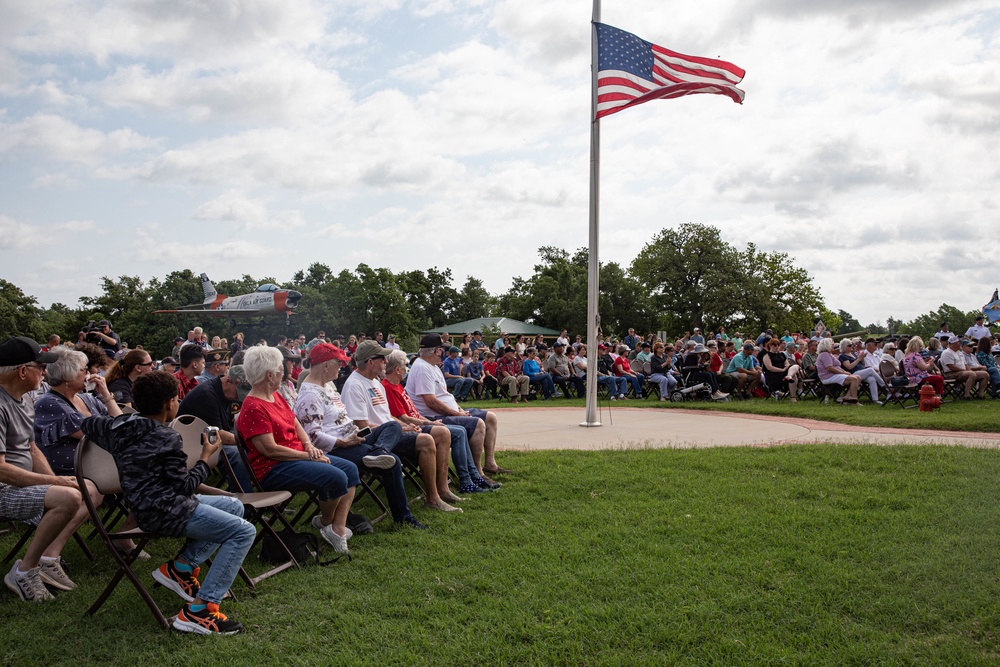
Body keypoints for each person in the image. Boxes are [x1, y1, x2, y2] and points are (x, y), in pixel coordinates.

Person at [82, 371, 254, 635]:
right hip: (166, 511)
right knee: (243, 531)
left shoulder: (116, 427)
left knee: (235, 507)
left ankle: (181, 568)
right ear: (169, 403)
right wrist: (205, 458)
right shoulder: (167, 438)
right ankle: (200, 611)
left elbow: (88, 425)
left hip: (146, 507)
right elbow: (185, 486)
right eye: (177, 398)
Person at [297, 343, 438, 525]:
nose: (342, 367)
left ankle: (378, 452)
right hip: (336, 447)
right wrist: (343, 442)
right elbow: (313, 437)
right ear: (325, 365)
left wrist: (357, 434)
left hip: (354, 436)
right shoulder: (310, 395)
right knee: (392, 462)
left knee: (392, 427)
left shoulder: (328, 387)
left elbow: (344, 419)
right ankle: (403, 518)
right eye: (338, 363)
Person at [236, 346, 357, 553]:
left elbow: (295, 422)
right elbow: (270, 450)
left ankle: (334, 527)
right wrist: (308, 455)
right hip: (273, 469)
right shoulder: (254, 407)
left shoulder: (274, 396)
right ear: (269, 375)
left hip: (296, 458)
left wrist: (309, 446)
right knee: (336, 477)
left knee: (350, 470)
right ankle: (327, 522)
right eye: (280, 369)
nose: (284, 373)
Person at [1, 337, 93, 602]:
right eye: (41, 367)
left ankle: (44, 560)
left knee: (83, 489)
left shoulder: (23, 400)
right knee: (70, 496)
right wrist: (58, 486)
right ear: (22, 371)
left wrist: (56, 482)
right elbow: (1, 470)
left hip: (18, 485)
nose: (45, 372)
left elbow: (31, 448)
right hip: (4, 488)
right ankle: (24, 570)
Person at [343, 341, 462, 513]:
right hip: (376, 440)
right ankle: (433, 498)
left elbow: (387, 416)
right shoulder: (355, 385)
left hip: (391, 431)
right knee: (427, 440)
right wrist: (398, 428)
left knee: (442, 433)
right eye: (382, 359)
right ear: (370, 362)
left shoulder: (375, 382)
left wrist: (404, 425)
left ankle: (442, 489)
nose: (386, 362)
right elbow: (361, 426)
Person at [406, 334, 508, 478]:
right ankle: (477, 472)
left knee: (490, 417)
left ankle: (490, 464)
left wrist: (458, 409)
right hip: (434, 417)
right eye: (443, 349)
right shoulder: (422, 368)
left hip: (449, 411)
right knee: (478, 423)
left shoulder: (432, 366)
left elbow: (443, 395)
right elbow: (431, 401)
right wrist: (457, 414)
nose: (444, 352)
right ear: (437, 351)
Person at [33, 347, 123, 476]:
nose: (89, 373)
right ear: (67, 375)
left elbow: (123, 426)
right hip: (71, 475)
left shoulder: (87, 398)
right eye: (84, 370)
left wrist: (106, 394)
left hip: (98, 469)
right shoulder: (49, 403)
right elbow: (101, 435)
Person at [837, 340, 883, 404]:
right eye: (850, 345)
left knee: (872, 379)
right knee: (870, 370)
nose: (852, 346)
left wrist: (862, 358)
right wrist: (859, 359)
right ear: (844, 347)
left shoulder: (853, 354)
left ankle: (875, 399)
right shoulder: (843, 356)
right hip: (854, 373)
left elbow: (862, 364)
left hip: (862, 371)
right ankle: (883, 384)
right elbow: (849, 367)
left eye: (852, 345)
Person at [815, 338, 860, 403]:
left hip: (834, 375)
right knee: (854, 379)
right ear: (827, 345)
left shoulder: (829, 354)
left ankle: (848, 397)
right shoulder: (824, 354)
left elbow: (837, 366)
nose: (834, 346)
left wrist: (845, 372)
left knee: (858, 377)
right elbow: (829, 368)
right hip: (828, 376)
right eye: (832, 345)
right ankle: (854, 400)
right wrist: (843, 373)